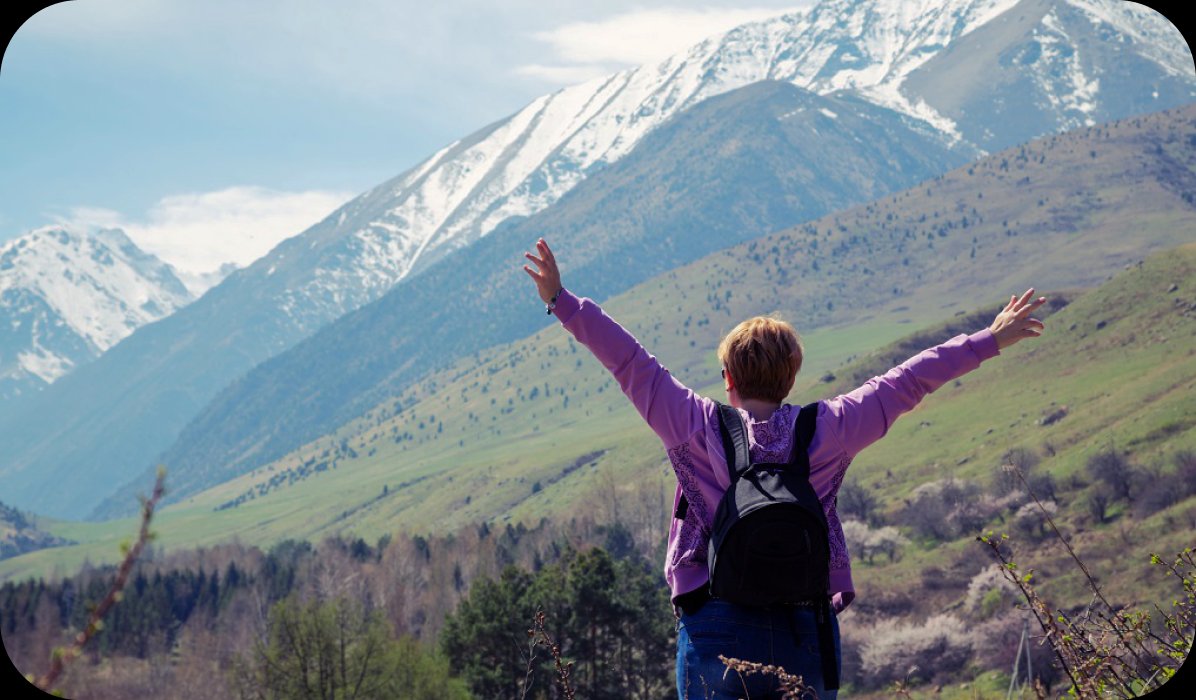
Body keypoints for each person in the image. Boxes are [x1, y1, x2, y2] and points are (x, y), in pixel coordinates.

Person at [522, 237, 1046, 699]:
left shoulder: (691, 423)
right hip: (804, 626)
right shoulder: (831, 427)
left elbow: (628, 360)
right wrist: (990, 338)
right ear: (791, 377)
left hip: (714, 621)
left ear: (728, 378)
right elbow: (907, 381)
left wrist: (560, 300)